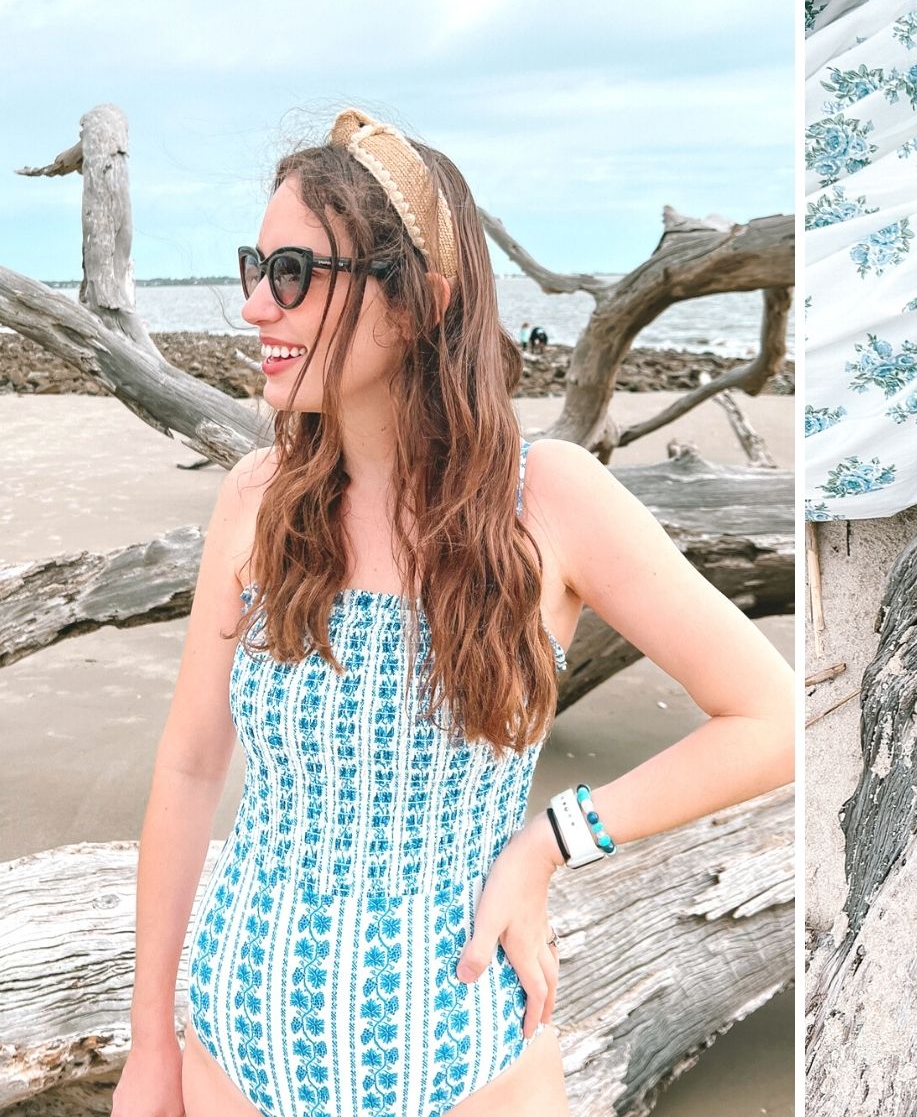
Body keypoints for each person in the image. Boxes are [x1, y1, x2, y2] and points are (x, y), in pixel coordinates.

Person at [110, 108, 796, 1116]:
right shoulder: (257, 499)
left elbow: (772, 719)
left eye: (294, 274)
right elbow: (190, 763)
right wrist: (150, 1044)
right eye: (255, 267)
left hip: (465, 1056)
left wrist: (553, 841)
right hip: (232, 1041)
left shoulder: (545, 498)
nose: (256, 304)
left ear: (418, 302)